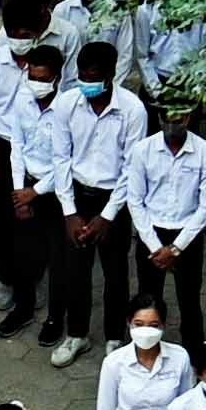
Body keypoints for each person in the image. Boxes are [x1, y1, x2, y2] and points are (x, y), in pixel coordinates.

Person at [46, 45, 146, 362]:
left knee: (115, 272)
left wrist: (107, 216)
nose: (87, 82)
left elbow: (132, 169)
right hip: (77, 194)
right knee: (76, 270)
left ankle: (115, 338)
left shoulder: (132, 110)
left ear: (111, 74)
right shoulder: (66, 104)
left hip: (113, 199)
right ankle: (77, 335)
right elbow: (60, 159)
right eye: (82, 75)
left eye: (95, 76)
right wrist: (69, 212)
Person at [0, 0, 55, 304]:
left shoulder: (44, 67)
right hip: (3, 146)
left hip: (36, 151)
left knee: (33, 219)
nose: (20, 41)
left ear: (37, 33)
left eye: (26, 35)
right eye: (14, 35)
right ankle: (7, 279)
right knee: (3, 221)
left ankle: (32, 280)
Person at [126, 105, 206, 352]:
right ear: (159, 118)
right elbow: (135, 200)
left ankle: (194, 354)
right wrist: (157, 247)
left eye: (177, 121)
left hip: (187, 235)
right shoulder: (142, 150)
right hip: (151, 234)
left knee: (189, 299)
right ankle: (146, 349)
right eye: (167, 121)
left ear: (188, 118)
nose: (171, 127)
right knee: (148, 299)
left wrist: (176, 248)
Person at [0, 40, 70, 338]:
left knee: (57, 257)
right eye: (33, 78)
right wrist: (19, 193)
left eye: (44, 79)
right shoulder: (22, 102)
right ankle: (23, 309)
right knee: (23, 253)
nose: (37, 84)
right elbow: (16, 148)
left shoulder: (67, 109)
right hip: (24, 187)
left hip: (56, 191)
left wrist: (35, 192)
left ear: (57, 78)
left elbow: (66, 160)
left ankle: (55, 318)